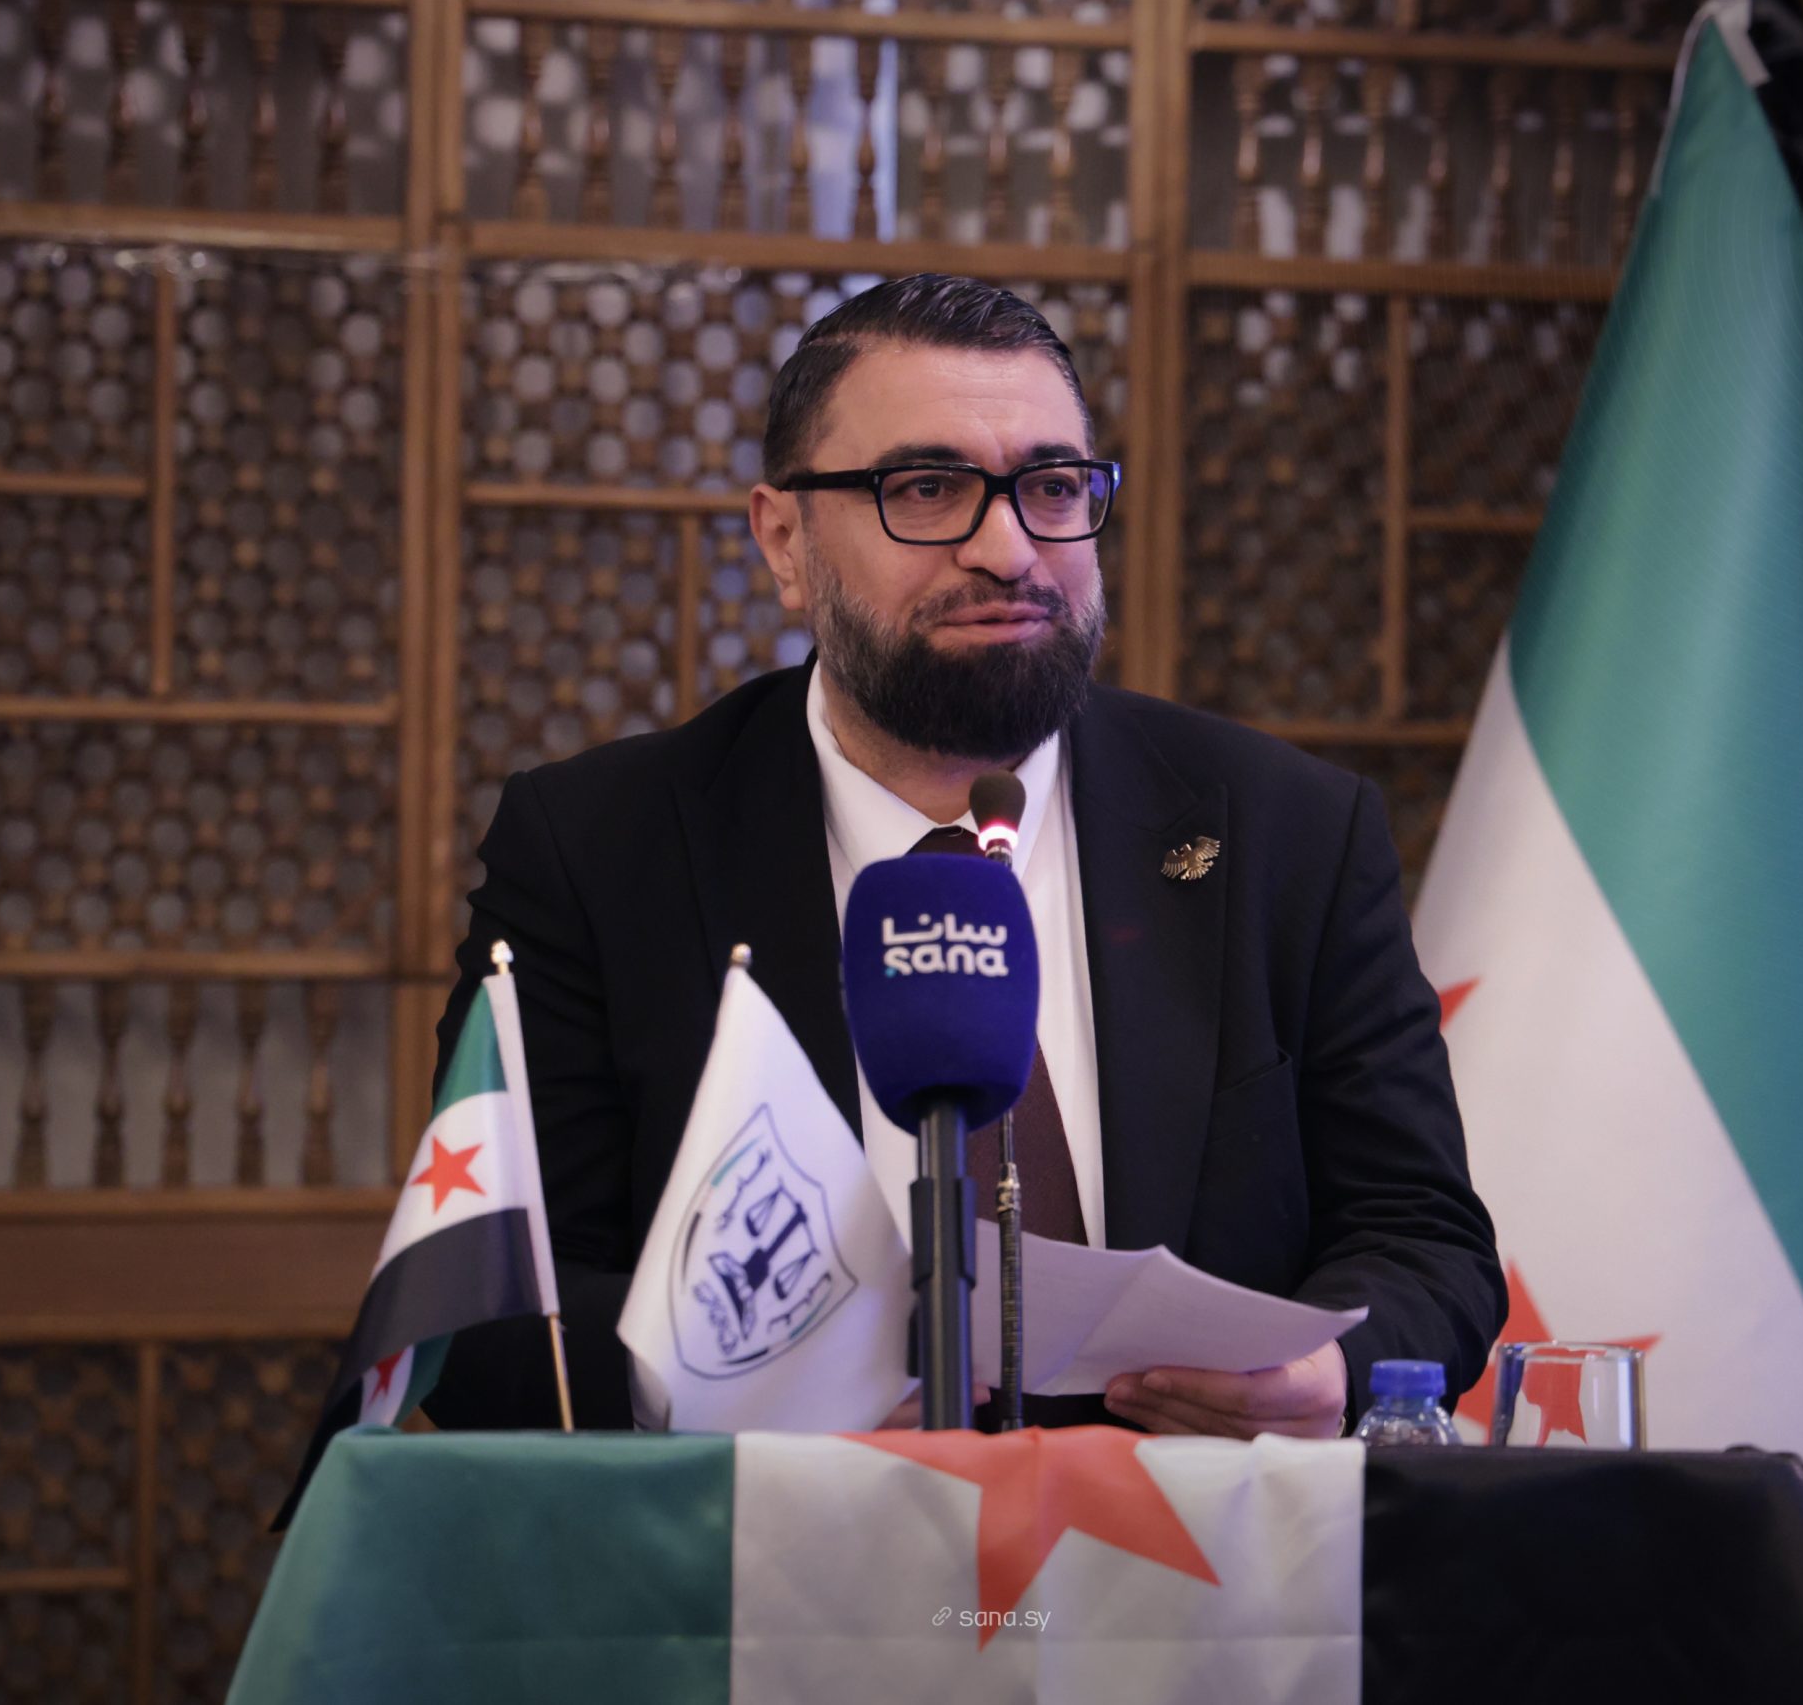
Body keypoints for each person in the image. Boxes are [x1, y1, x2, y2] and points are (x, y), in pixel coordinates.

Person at [424, 273, 1504, 1438]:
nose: (1007, 549)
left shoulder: (1283, 832)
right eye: (928, 490)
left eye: (1051, 487)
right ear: (784, 540)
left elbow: (1424, 1241)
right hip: (771, 1541)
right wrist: (754, 1388)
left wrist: (1330, 1377)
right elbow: (485, 1305)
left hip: (1188, 1534)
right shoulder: (599, 849)